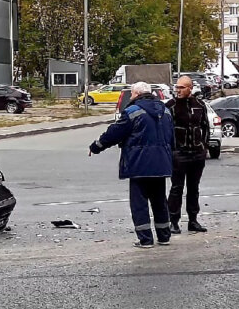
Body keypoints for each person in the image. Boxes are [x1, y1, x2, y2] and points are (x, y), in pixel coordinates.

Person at [89, 81, 174, 248]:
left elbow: (114, 133)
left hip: (139, 164)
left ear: (136, 94)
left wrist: (96, 146)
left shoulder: (132, 112)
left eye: (132, 94)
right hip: (161, 164)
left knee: (139, 203)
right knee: (159, 201)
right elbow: (172, 138)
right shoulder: (165, 111)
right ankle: (164, 236)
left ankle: (146, 239)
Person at [165, 76, 209, 234]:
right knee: (176, 188)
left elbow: (205, 127)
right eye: (177, 87)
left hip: (197, 154)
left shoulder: (199, 105)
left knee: (194, 188)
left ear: (190, 88)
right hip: (179, 154)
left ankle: (193, 220)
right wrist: (172, 150)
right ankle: (174, 221)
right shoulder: (170, 106)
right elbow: (165, 131)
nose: (178, 90)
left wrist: (204, 147)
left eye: (182, 88)